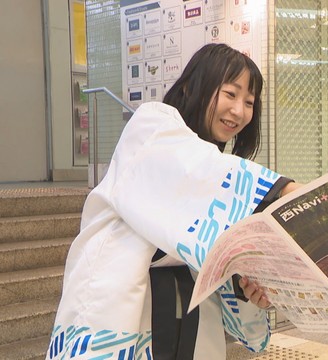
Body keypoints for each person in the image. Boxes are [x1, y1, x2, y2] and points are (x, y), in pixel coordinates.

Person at [46, 43, 299, 359]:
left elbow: (223, 262)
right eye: (231, 94)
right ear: (194, 86)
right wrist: (288, 193)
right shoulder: (153, 126)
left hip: (187, 318)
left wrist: (250, 289)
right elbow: (195, 167)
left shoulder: (213, 168)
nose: (240, 111)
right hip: (123, 309)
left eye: (249, 102)